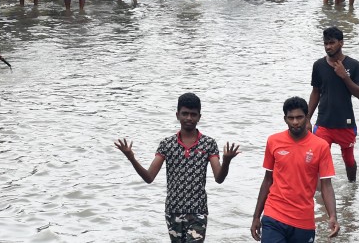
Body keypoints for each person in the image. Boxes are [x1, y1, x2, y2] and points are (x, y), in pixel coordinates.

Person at [114, 93, 239, 243]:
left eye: (193, 114)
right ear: (177, 115)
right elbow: (149, 177)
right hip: (173, 210)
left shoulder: (208, 144)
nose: (189, 118)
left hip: (197, 211)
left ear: (199, 117)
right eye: (185, 113)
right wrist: (131, 158)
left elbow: (219, 178)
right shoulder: (167, 144)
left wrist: (226, 161)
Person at [251, 96, 338, 242]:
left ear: (307, 117)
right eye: (291, 118)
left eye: (299, 117)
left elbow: (326, 186)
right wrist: (256, 217)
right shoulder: (273, 141)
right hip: (274, 215)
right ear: (285, 119)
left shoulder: (321, 146)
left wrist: (333, 216)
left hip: (303, 220)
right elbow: (267, 180)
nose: (295, 122)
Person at [307, 27, 359, 184]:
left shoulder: (353, 65)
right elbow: (315, 92)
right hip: (323, 123)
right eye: (325, 43)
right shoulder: (318, 65)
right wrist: (307, 118)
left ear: (341, 43)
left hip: (345, 123)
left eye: (331, 43)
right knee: (318, 159)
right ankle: (321, 196)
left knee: (349, 160)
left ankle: (352, 190)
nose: (328, 47)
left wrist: (345, 77)